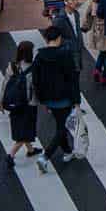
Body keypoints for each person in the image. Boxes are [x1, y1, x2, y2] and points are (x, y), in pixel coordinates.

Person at [32, 24, 81, 172]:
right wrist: (76, 101)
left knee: (61, 124)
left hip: (49, 99)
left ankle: (67, 151)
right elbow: (73, 80)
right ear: (59, 38)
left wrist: (42, 99)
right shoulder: (65, 55)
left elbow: (36, 80)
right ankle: (45, 156)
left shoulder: (39, 57)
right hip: (64, 98)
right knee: (62, 128)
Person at [0, 41, 40, 168]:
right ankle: (10, 155)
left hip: (15, 104)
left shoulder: (12, 66)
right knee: (26, 130)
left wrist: (1, 100)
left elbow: (5, 84)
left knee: (22, 127)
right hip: (29, 104)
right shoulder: (34, 67)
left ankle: (31, 150)